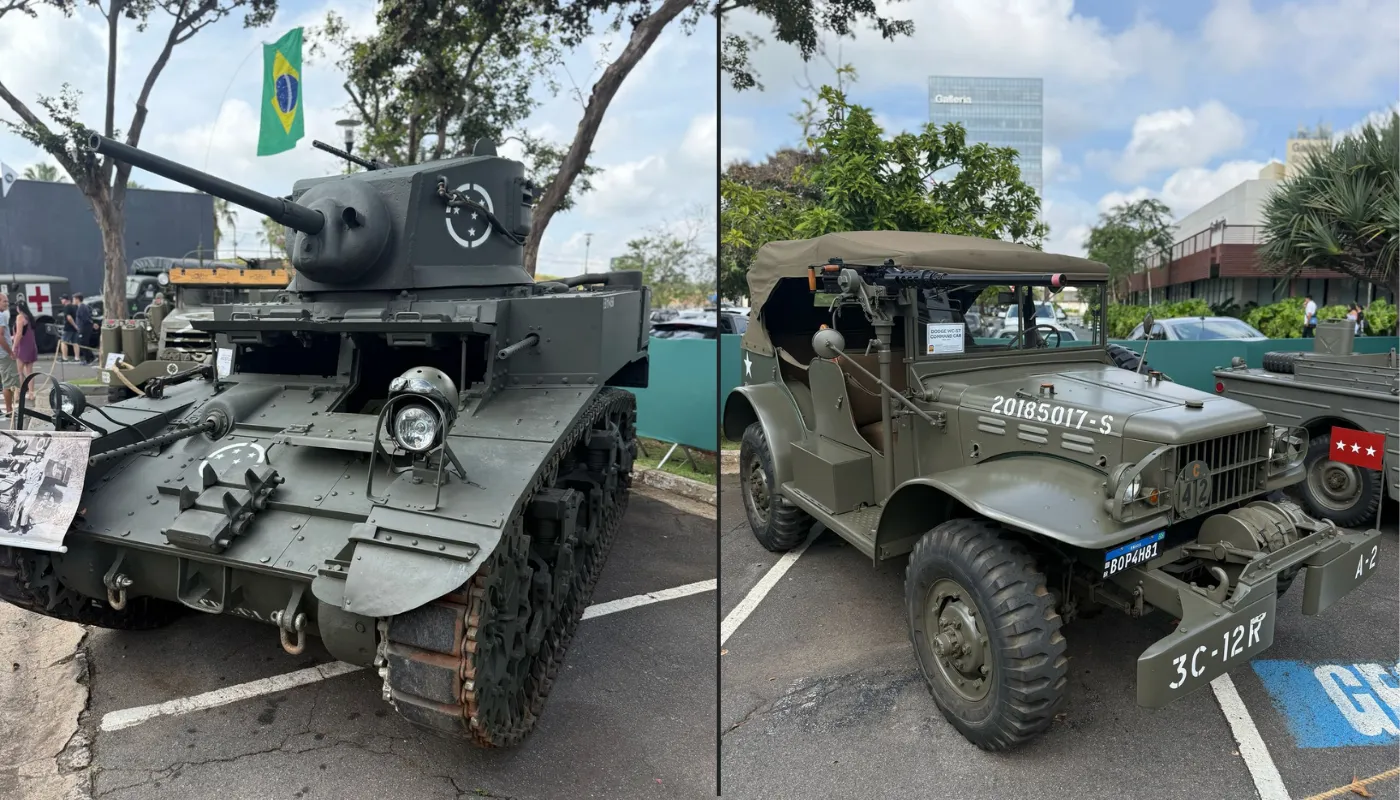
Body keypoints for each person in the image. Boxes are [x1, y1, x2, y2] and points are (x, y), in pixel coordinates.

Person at [11, 302, 38, 403]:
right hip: (31, 346)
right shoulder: (30, 317)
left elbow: (19, 334)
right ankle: (31, 393)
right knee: (29, 372)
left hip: (22, 347)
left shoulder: (20, 317)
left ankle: (18, 394)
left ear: (18, 308)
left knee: (19, 372)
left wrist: (14, 346)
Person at [0, 294, 17, 421]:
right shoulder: (1, 316)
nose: (7, 303)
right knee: (8, 382)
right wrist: (10, 351)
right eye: (4, 301)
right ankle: (9, 411)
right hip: (4, 354)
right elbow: (0, 336)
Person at [72, 293, 94, 365]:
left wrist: (81, 329)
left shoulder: (82, 307)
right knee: (83, 343)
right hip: (83, 328)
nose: (73, 301)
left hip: (84, 328)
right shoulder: (81, 307)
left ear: (77, 299)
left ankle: (88, 359)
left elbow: (85, 319)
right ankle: (90, 357)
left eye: (74, 299)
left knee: (83, 343)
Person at [57, 294, 77, 362]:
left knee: (63, 342)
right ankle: (77, 358)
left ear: (65, 300)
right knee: (75, 343)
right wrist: (76, 326)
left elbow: (69, 317)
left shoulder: (67, 307)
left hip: (68, 327)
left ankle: (65, 358)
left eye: (62, 299)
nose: (61, 301)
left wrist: (74, 325)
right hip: (74, 328)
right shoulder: (74, 306)